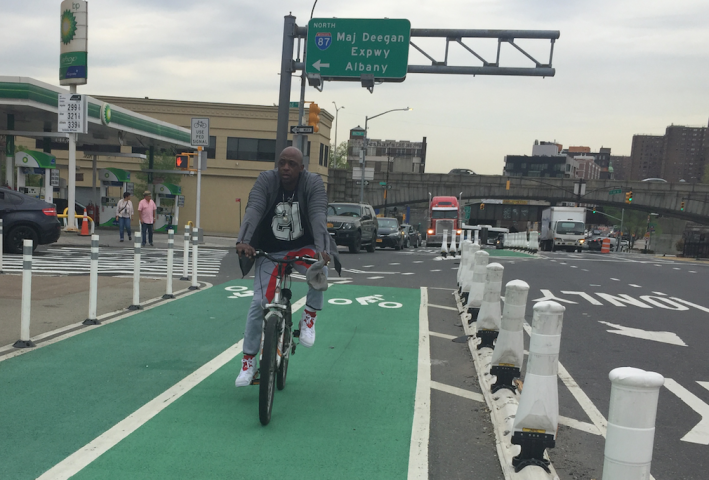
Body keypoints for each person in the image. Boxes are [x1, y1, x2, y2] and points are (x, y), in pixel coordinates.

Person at [234, 146, 333, 387]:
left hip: (303, 248)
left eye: (291, 164)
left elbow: (319, 215)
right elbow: (254, 208)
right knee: (259, 303)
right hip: (270, 250)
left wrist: (322, 248)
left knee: (320, 269)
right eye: (282, 163)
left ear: (301, 168)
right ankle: (248, 362)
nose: (285, 168)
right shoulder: (266, 180)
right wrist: (244, 240)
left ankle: (308, 317)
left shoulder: (312, 183)